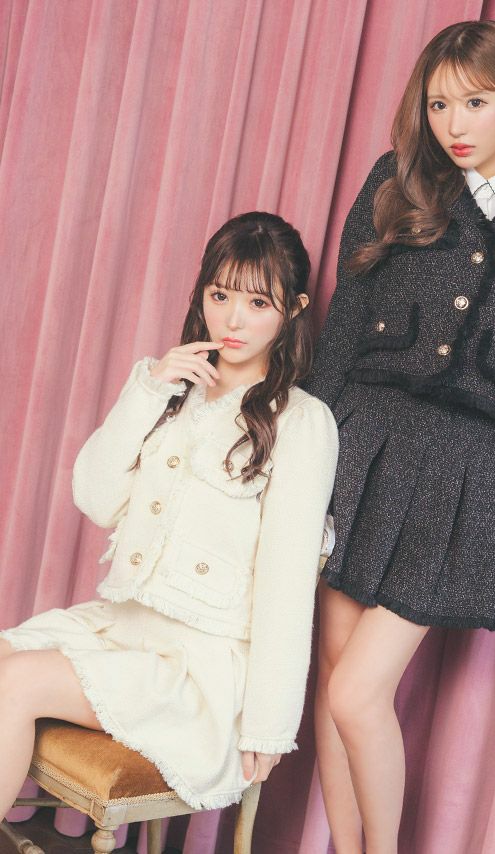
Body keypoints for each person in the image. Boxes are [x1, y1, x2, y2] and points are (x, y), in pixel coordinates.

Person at [303, 20, 495, 854]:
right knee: (333, 677)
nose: (454, 124)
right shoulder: (395, 183)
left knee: (357, 694)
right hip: (359, 449)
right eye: (438, 105)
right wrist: (294, 462)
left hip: (461, 477)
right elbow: (340, 335)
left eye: (474, 102)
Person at [0, 211, 339, 818]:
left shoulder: (300, 421)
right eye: (220, 295)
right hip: (121, 633)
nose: (233, 320)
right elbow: (95, 498)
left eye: (258, 302)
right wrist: (150, 388)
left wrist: (269, 725)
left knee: (16, 682)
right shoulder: (168, 391)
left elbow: (287, 585)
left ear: (293, 309)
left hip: (196, 674)